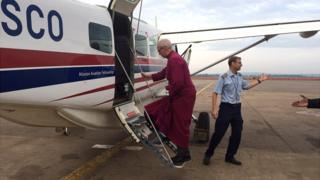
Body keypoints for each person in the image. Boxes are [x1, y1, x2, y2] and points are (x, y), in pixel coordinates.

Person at [203, 56, 269, 166]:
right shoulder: (223, 77)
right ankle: (208, 154)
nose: (241, 64)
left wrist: (259, 80)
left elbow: (246, 86)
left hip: (237, 109)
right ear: (232, 63)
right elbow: (215, 93)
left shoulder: (239, 76)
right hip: (226, 108)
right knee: (219, 133)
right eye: (239, 63)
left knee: (237, 134)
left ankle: (230, 156)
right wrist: (214, 109)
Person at [141, 39, 196, 168]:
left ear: (165, 48)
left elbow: (178, 83)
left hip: (182, 97)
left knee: (181, 124)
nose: (159, 53)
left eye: (159, 50)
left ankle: (183, 155)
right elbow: (164, 73)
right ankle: (181, 151)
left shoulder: (174, 60)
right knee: (158, 111)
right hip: (179, 95)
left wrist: (168, 90)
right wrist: (149, 76)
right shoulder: (173, 59)